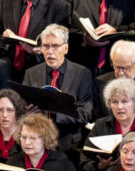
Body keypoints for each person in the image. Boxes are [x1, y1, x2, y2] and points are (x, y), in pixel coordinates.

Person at [21, 23, 95, 152]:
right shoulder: (31, 73)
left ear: (65, 48)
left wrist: (55, 111)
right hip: (37, 140)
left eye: (55, 46)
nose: (50, 51)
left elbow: (85, 114)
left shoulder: (82, 74)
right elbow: (22, 110)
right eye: (46, 46)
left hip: (69, 143)